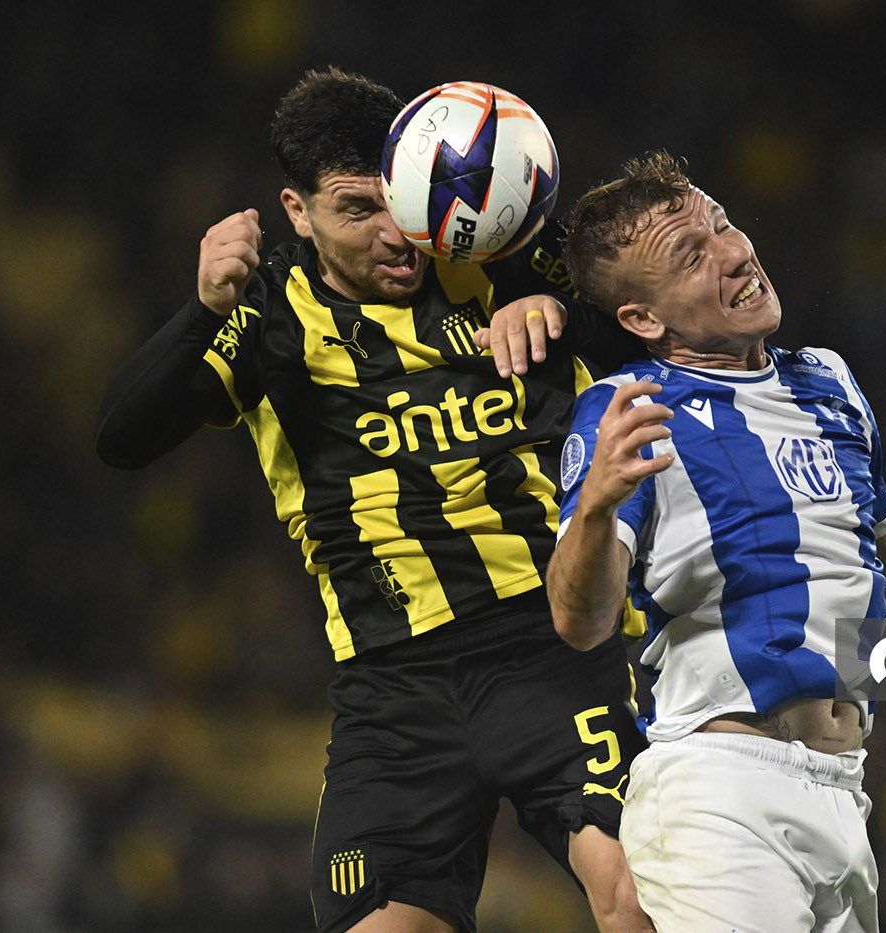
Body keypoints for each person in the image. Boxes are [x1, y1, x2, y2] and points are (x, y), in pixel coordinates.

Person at [94, 67, 652, 933]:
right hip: (392, 691)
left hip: (553, 643)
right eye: (358, 210)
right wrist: (204, 311)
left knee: (635, 895)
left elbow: (659, 330)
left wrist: (562, 310)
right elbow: (122, 437)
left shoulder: (497, 256)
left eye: (400, 199)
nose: (398, 234)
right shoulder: (268, 314)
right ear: (297, 209)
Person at [537, 151, 886, 932]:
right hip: (720, 794)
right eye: (690, 255)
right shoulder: (628, 410)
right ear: (642, 318)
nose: (734, 254)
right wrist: (595, 508)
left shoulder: (828, 383)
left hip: (843, 792)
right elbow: (581, 622)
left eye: (722, 224)